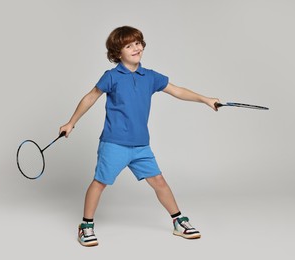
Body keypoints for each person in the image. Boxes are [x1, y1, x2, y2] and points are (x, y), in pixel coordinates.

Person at [59, 26, 219, 247]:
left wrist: (205, 99)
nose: (136, 48)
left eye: (138, 43)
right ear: (117, 52)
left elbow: (178, 91)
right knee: (100, 182)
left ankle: (178, 221)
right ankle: (86, 226)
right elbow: (90, 97)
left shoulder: (150, 77)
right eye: (128, 45)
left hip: (141, 146)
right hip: (114, 143)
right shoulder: (112, 76)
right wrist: (71, 122)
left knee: (159, 181)